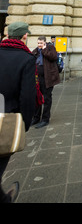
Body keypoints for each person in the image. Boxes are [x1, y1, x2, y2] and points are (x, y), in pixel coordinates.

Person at [0, 21, 36, 203]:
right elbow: (27, 98)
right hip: (6, 121)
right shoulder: (26, 58)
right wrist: (24, 124)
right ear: (24, 36)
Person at [31, 36, 60, 128]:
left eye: (41, 43)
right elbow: (31, 57)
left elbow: (53, 57)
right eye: (38, 43)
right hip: (37, 78)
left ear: (45, 42)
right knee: (37, 97)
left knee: (47, 98)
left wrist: (44, 50)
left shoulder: (50, 48)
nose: (39, 45)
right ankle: (36, 118)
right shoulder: (36, 50)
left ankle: (45, 119)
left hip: (48, 78)